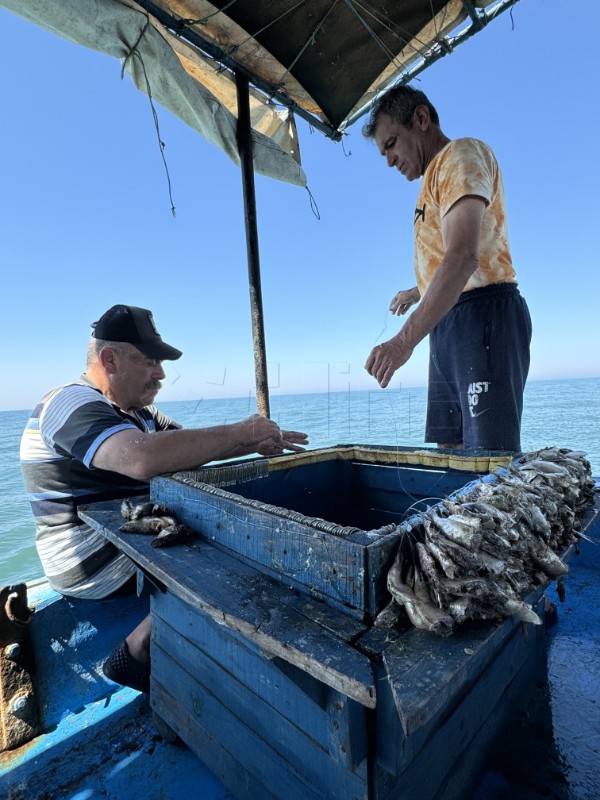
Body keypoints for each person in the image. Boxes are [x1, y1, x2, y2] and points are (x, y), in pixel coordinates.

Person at [20, 304, 308, 691]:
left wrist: (254, 441)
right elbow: (140, 457)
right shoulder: (69, 402)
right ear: (110, 359)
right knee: (240, 551)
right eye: (151, 361)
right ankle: (138, 651)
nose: (161, 374)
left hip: (124, 534)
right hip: (89, 558)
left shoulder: (138, 413)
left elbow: (187, 446)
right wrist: (241, 432)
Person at [363, 85, 532, 452]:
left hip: (484, 316)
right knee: (450, 454)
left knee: (490, 462)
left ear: (421, 119)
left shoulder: (460, 155)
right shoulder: (432, 179)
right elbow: (449, 262)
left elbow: (462, 258)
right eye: (383, 153)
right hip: (447, 324)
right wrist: (416, 291)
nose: (389, 160)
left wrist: (402, 341)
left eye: (391, 143)